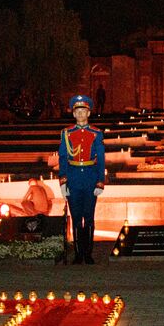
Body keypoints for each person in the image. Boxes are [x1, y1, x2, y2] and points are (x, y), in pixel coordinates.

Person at [58, 94, 105, 264]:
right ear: (73, 114)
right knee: (76, 216)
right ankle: (78, 254)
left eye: (83, 110)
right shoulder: (66, 134)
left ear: (89, 113)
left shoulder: (96, 134)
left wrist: (101, 181)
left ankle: (88, 253)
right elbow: (63, 159)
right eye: (77, 111)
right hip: (73, 179)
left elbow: (101, 158)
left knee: (89, 217)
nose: (80, 114)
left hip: (91, 179)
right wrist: (63, 182)